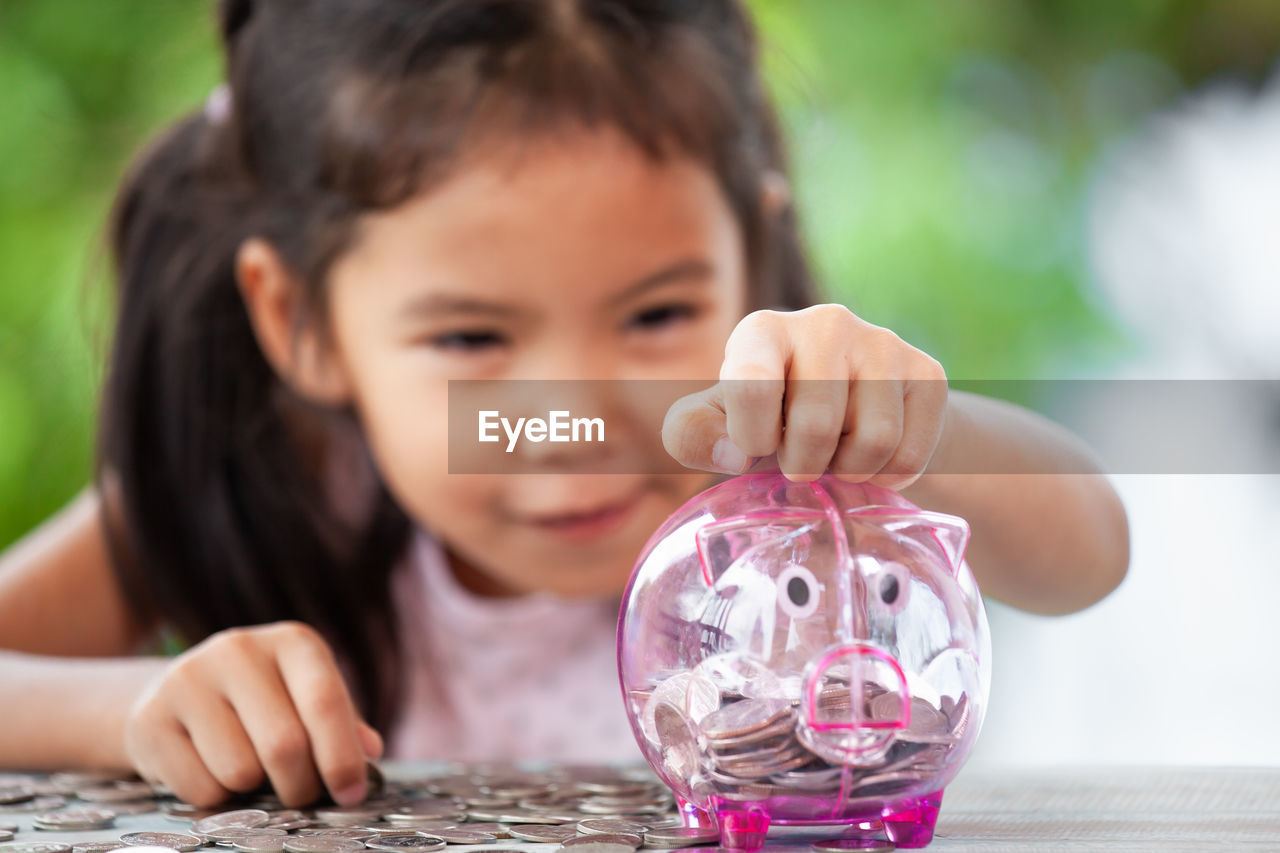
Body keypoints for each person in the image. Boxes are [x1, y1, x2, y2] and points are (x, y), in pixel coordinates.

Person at [0, 0, 1128, 812]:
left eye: (653, 317)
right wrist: (133, 708)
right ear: (297, 319)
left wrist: (910, 429)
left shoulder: (793, 466)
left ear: (751, 250)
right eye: (472, 338)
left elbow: (1088, 550)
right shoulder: (280, 488)